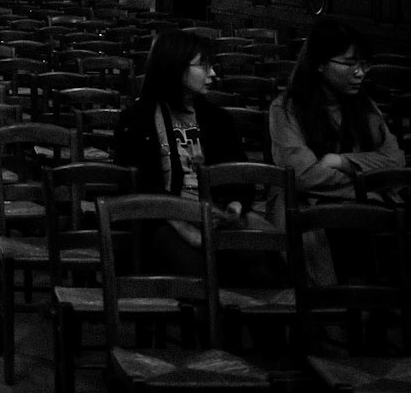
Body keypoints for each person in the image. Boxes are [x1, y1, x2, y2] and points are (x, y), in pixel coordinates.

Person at [112, 30, 248, 272]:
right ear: (175, 67)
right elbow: (135, 184)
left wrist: (235, 205)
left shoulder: (218, 119)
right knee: (198, 267)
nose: (212, 74)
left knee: (263, 264)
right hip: (161, 221)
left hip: (215, 215)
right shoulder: (138, 119)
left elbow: (241, 175)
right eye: (203, 66)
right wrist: (182, 223)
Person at [269, 19, 404, 210]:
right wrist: (369, 182)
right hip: (311, 211)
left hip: (367, 208)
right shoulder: (286, 108)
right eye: (350, 64)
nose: (360, 73)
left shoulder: (364, 105)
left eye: (364, 64)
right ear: (320, 64)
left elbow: (395, 161)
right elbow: (301, 176)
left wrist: (341, 162)